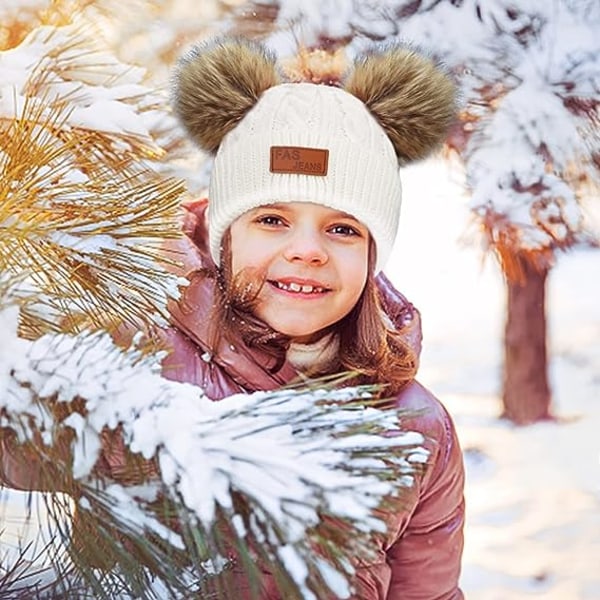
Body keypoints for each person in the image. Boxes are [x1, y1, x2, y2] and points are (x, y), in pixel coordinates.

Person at [0, 36, 465, 599]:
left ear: (372, 255)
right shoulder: (121, 352)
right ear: (222, 236)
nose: (307, 250)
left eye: (343, 228)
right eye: (272, 219)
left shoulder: (415, 428)